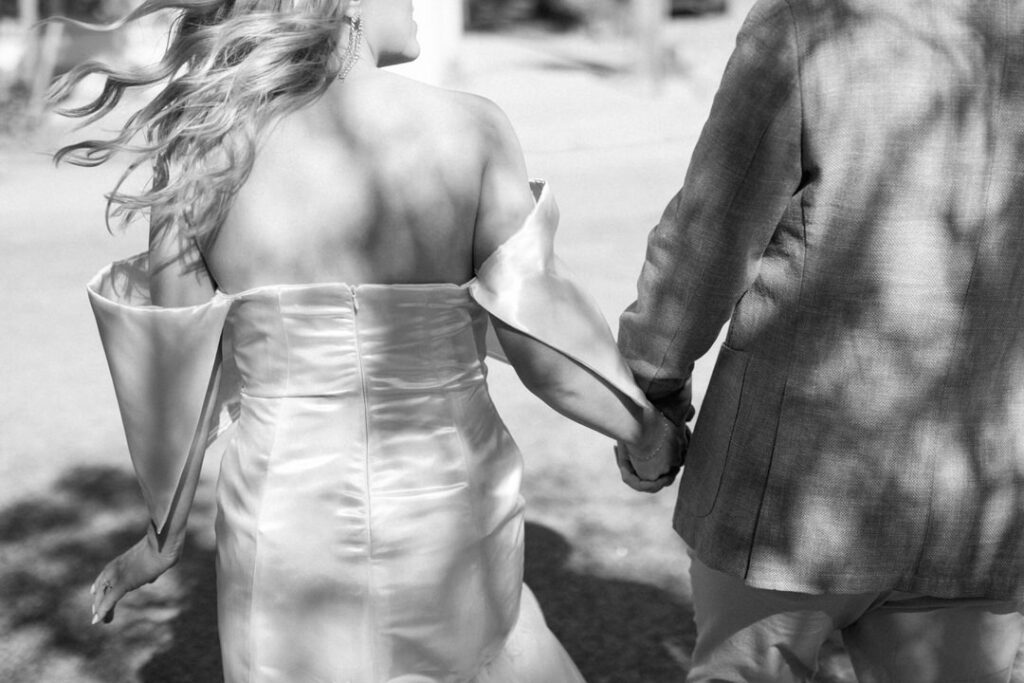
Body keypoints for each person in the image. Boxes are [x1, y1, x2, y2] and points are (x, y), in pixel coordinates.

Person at [55, 0, 682, 680]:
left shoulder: (202, 150)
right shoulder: (471, 128)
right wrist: (649, 436)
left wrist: (162, 537)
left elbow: (180, 384)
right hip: (447, 505)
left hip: (285, 524)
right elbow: (543, 346)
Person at [617, 0, 1024, 680]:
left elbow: (710, 237)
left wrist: (647, 390)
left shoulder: (806, 21)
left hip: (791, 490)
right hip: (977, 491)